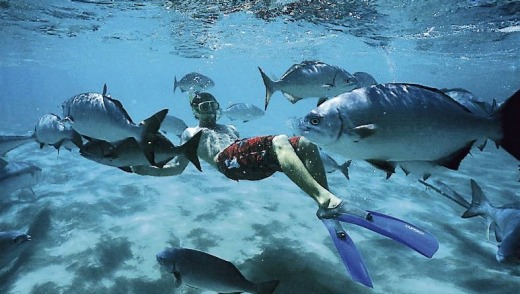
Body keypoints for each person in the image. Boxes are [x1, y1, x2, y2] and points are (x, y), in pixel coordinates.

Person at [129, 92, 439, 288]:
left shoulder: (230, 128)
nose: (209, 109)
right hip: (229, 163)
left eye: (212, 103)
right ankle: (325, 198)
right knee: (279, 140)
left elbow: (255, 151)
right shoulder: (190, 131)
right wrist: (142, 168)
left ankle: (324, 203)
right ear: (194, 109)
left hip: (243, 159)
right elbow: (180, 167)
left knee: (303, 142)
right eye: (202, 105)